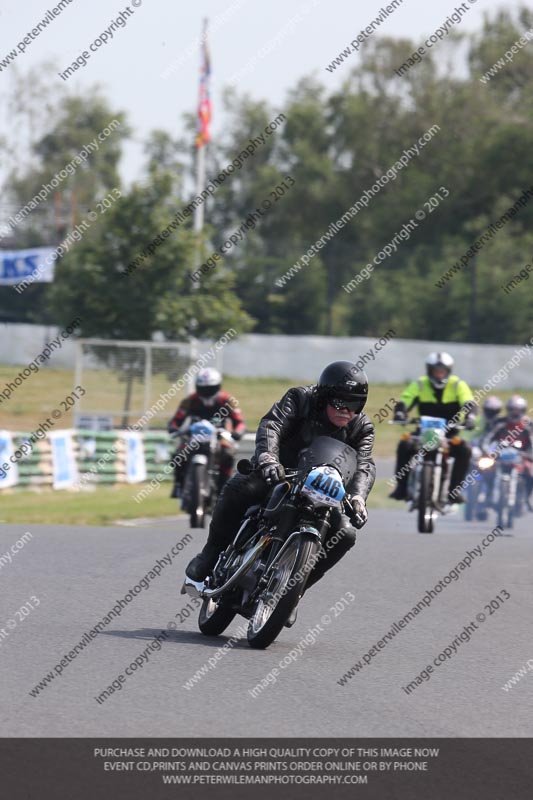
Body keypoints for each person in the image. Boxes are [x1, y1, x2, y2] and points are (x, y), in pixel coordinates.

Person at [185, 360, 376, 600]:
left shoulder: (362, 427)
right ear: (325, 395)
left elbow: (364, 463)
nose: (347, 411)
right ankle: (210, 553)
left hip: (322, 488)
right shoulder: (300, 398)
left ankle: (294, 593)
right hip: (280, 473)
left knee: (345, 534)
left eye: (355, 405)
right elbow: (273, 424)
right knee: (241, 487)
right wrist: (268, 458)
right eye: (341, 402)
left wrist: (358, 497)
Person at [389, 352, 477, 503]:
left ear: (448, 371)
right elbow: (405, 400)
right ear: (429, 371)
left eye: (442, 371)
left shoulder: (457, 385)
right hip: (423, 432)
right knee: (405, 444)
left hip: (450, 434)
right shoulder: (420, 384)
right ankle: (401, 488)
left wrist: (470, 417)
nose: (439, 375)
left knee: (465, 450)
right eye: (436, 371)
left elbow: (469, 402)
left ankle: (454, 490)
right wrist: (400, 413)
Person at [168, 368, 246, 498]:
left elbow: (239, 422)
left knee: (228, 453)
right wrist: (174, 429)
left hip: (219, 435)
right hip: (194, 435)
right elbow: (176, 420)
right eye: (203, 388)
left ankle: (224, 488)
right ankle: (178, 484)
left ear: (218, 386)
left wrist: (237, 432)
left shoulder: (227, 400)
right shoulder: (189, 401)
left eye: (211, 388)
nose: (207, 392)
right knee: (179, 454)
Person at [483, 395, 533, 505]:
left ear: (523, 411)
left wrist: (528, 455)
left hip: (522, 456)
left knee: (531, 472)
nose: (515, 413)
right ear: (508, 410)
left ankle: (527, 498)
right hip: (500, 456)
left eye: (518, 410)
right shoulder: (500, 423)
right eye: (512, 410)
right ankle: (488, 495)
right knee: (486, 469)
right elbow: (487, 439)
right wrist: (488, 452)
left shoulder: (528, 425)